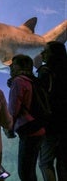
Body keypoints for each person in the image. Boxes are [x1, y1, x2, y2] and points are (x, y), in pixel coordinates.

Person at [7, 54, 45, 181]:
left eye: (14, 64)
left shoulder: (18, 81)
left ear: (22, 66)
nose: (11, 67)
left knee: (24, 172)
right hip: (38, 128)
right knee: (30, 169)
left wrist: (9, 128)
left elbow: (13, 109)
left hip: (29, 130)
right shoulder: (33, 80)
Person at [37, 41, 67, 181]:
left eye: (46, 51)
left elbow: (40, 96)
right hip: (64, 125)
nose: (42, 53)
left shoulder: (45, 72)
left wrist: (37, 68)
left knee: (45, 163)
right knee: (63, 163)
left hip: (50, 125)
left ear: (53, 55)